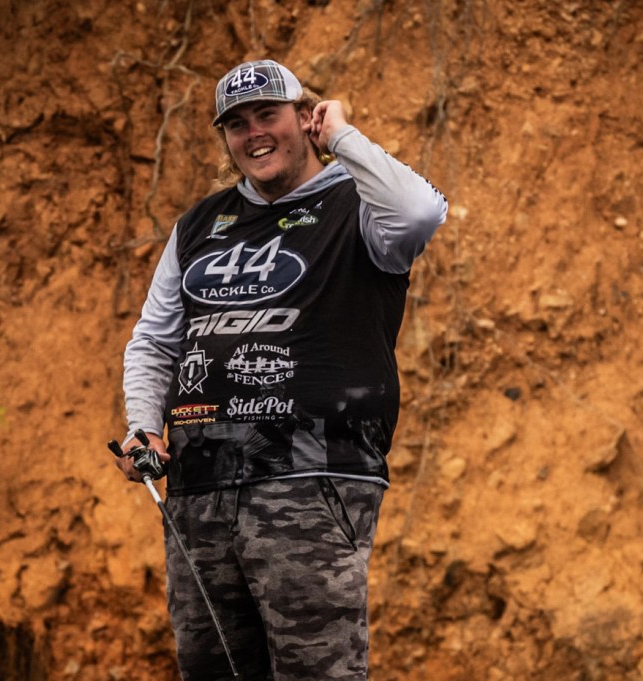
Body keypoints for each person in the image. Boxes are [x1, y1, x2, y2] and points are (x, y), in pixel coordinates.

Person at [114, 59, 447, 680]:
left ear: (305, 115)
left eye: (268, 114)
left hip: (314, 479)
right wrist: (144, 426)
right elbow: (154, 341)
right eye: (237, 124)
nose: (254, 133)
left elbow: (420, 214)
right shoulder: (198, 226)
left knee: (316, 671)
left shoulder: (360, 203)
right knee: (211, 669)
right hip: (198, 486)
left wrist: (343, 136)